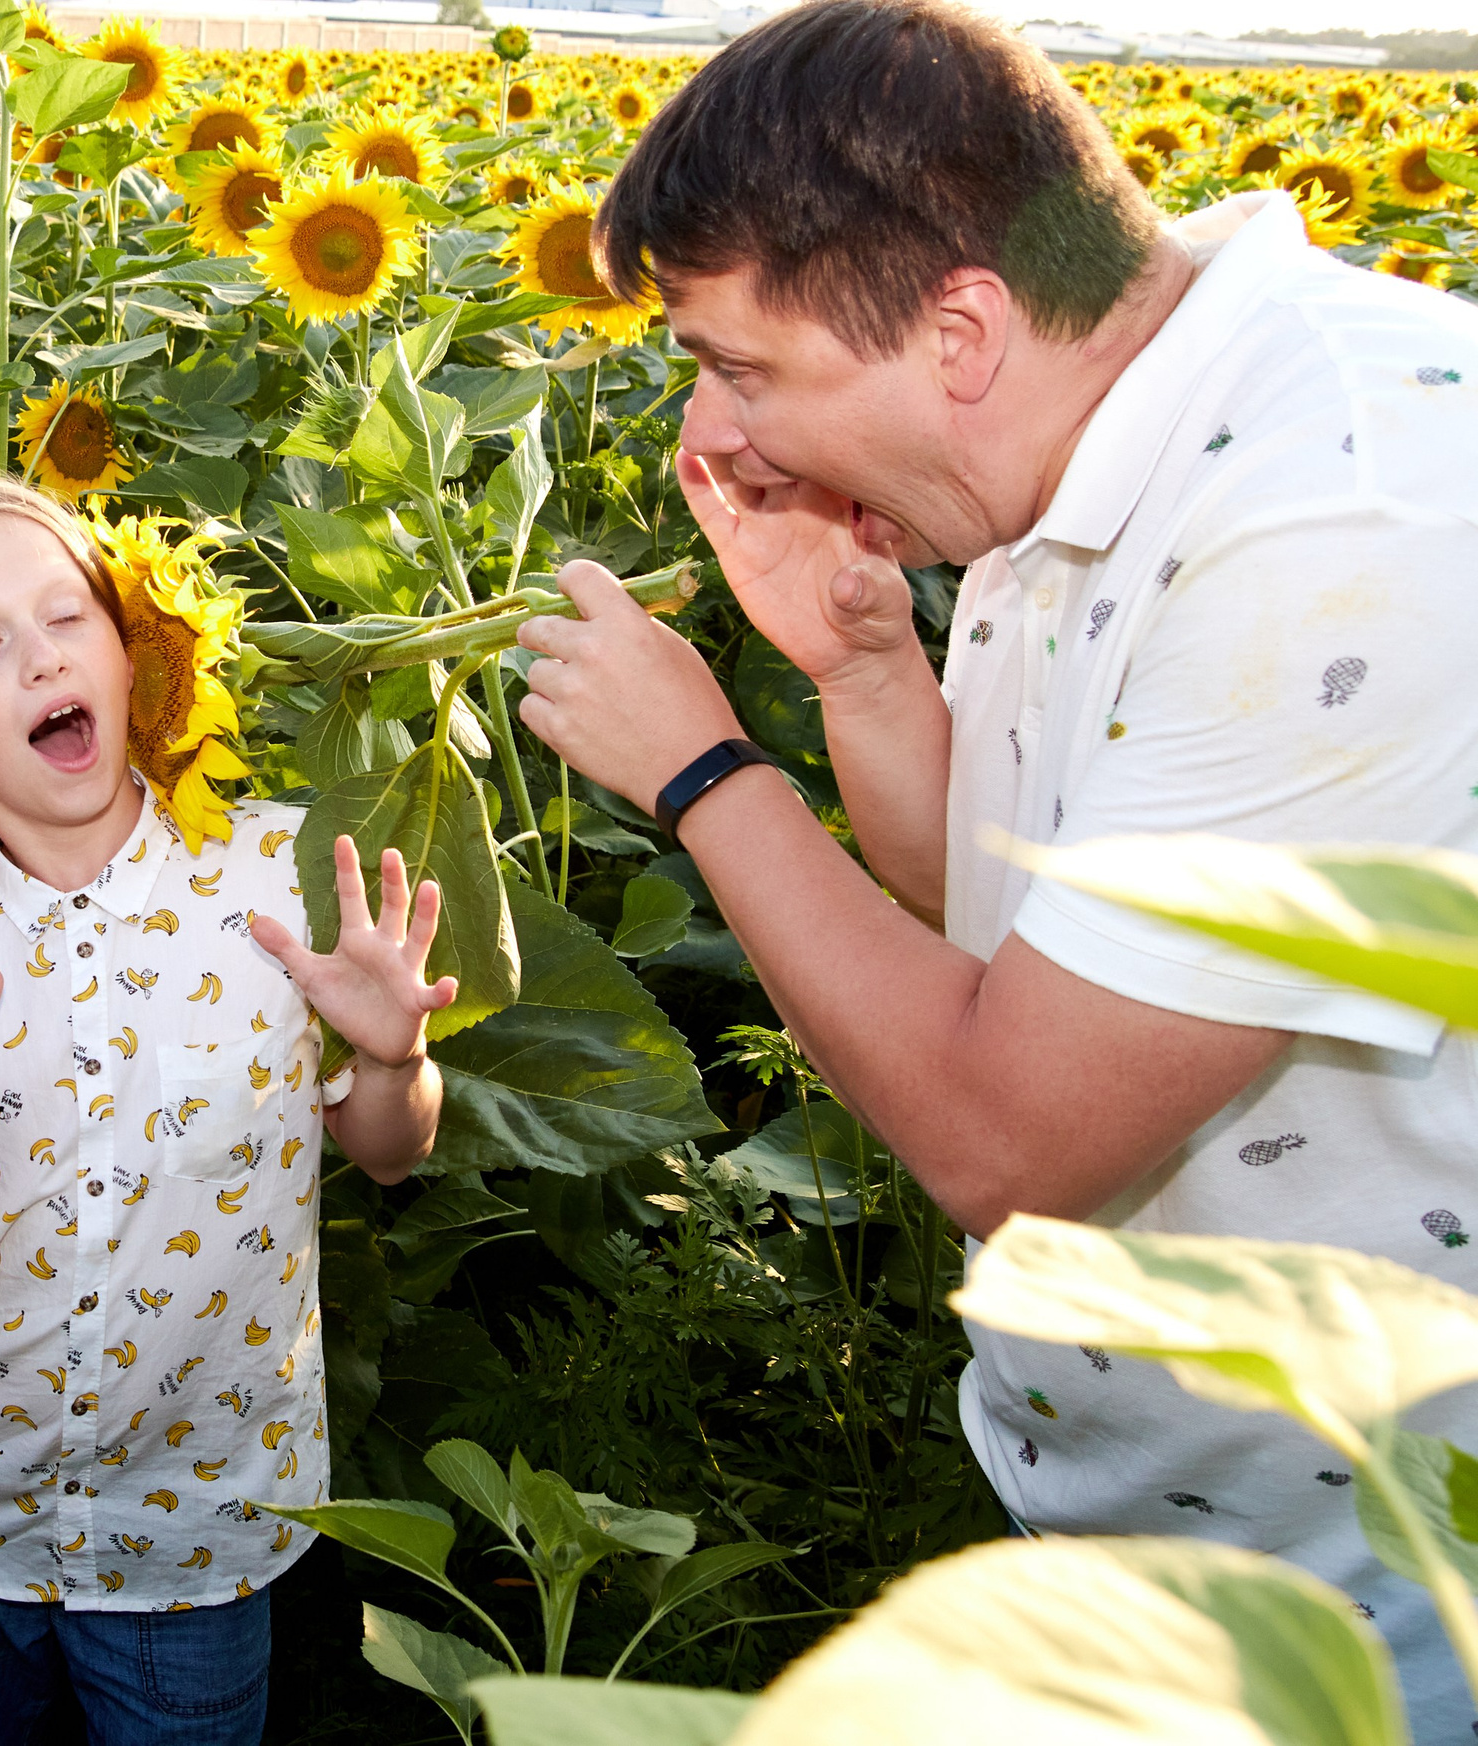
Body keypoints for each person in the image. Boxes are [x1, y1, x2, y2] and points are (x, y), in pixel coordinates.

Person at [513, 1, 1478, 1735]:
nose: (725, 443)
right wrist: (864, 673)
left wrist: (706, 772)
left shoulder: (1344, 523)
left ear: (960, 327)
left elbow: (1010, 1135)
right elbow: (1012, 899)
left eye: (746, 370)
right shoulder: (1097, 433)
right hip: (1153, 1509)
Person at [0, 476, 450, 1744]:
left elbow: (392, 1158)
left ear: (131, 653)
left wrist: (393, 1061)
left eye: (68, 616)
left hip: (195, 1535)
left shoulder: (280, 886)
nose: (42, 653)